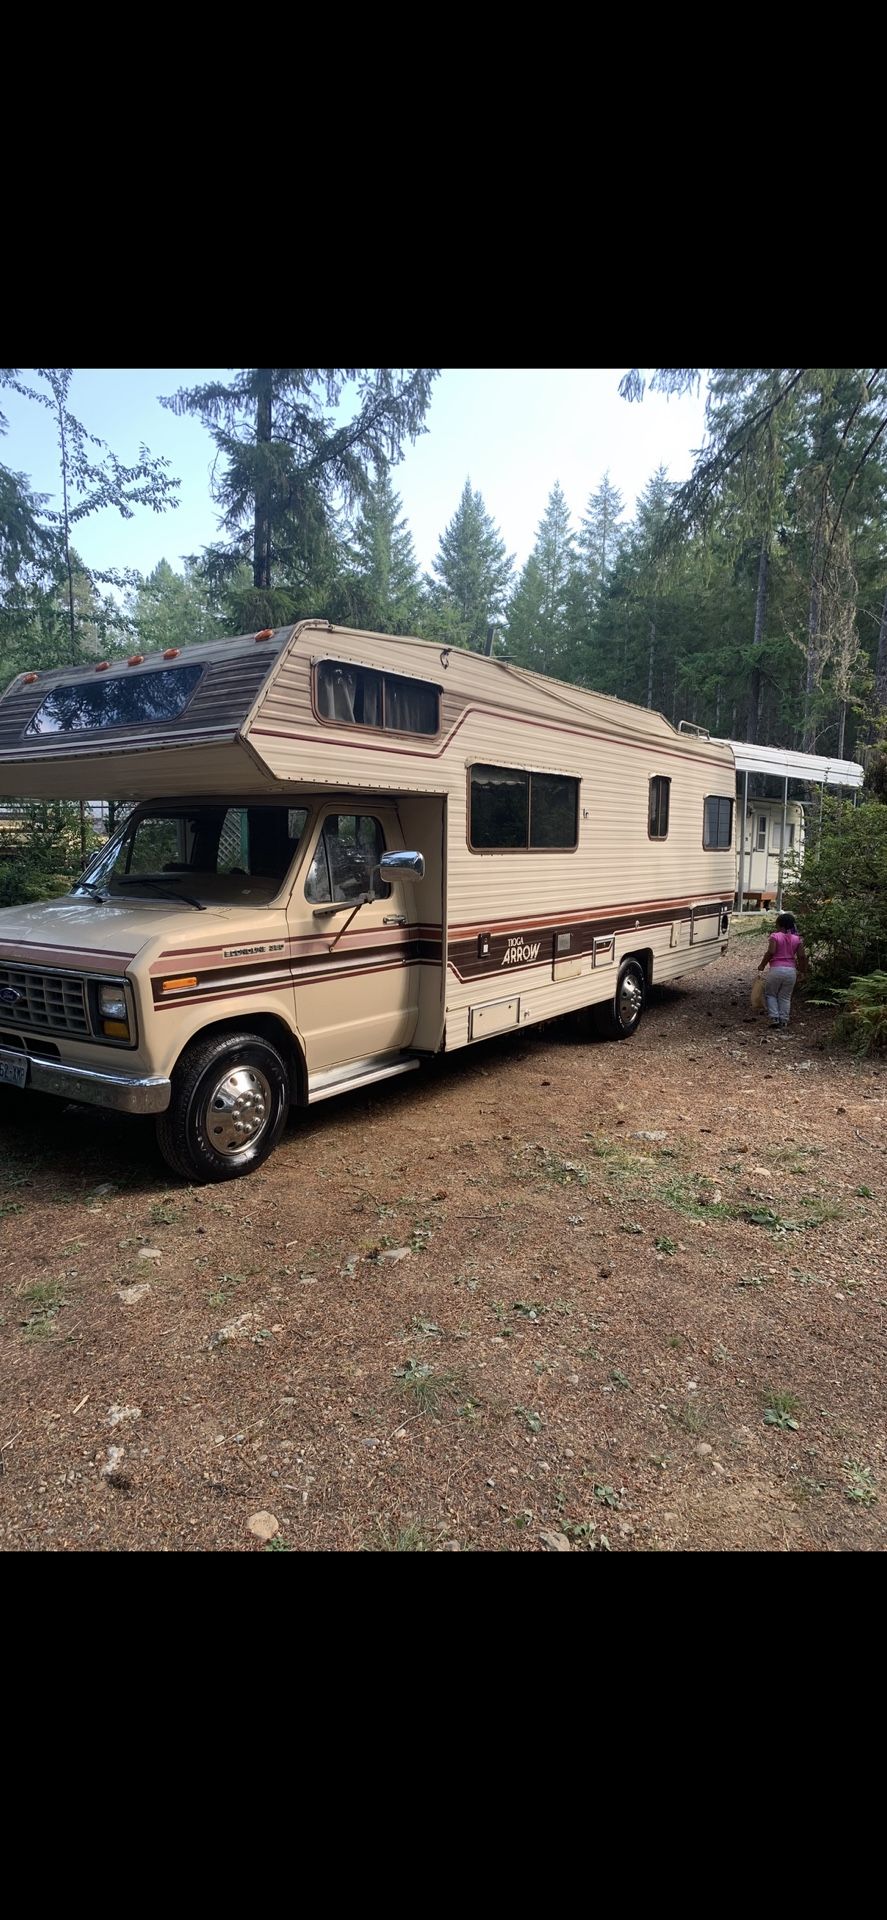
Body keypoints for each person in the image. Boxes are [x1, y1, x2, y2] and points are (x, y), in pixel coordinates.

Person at [757, 911, 808, 1029]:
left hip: (776, 969)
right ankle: (784, 1020)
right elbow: (801, 956)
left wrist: (762, 965)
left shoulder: (775, 936)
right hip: (791, 971)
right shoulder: (797, 939)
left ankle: (774, 1017)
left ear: (779, 925)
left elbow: (771, 952)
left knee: (770, 994)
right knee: (785, 996)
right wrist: (802, 970)